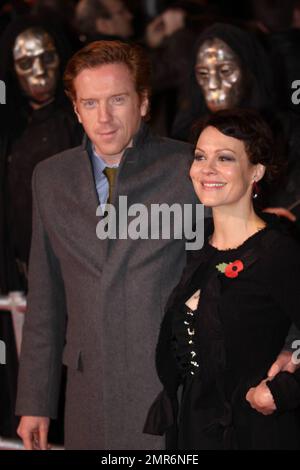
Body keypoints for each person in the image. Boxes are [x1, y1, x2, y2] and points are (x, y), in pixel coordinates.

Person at [15, 40, 198, 450]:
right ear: (76, 109)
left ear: (144, 102)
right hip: (88, 391)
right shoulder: (50, 178)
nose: (105, 118)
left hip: (168, 387)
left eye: (117, 99)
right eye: (91, 103)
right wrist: (34, 401)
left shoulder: (189, 169)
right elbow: (45, 300)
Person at [145, 108, 300, 449]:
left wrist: (284, 390)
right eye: (200, 156)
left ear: (256, 170)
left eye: (225, 158)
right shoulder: (199, 247)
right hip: (194, 432)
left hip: (256, 435)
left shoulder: (278, 253)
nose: (207, 169)